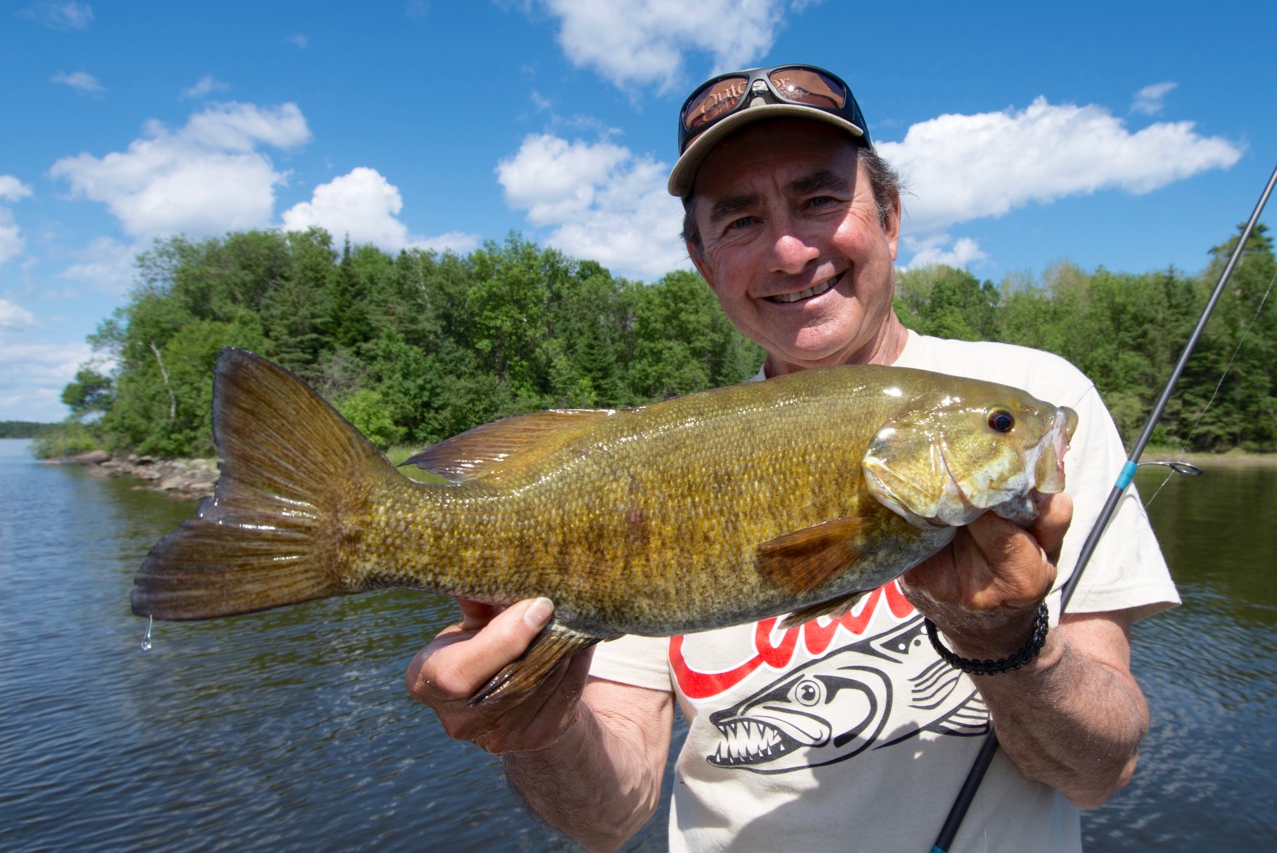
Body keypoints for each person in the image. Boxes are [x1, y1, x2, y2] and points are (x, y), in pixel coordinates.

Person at [406, 64, 1179, 852]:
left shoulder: (1036, 393)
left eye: (819, 200)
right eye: (740, 222)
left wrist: (1008, 645)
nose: (787, 248)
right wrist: (537, 727)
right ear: (704, 263)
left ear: (891, 217)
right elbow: (607, 817)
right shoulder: (652, 463)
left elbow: (1098, 773)